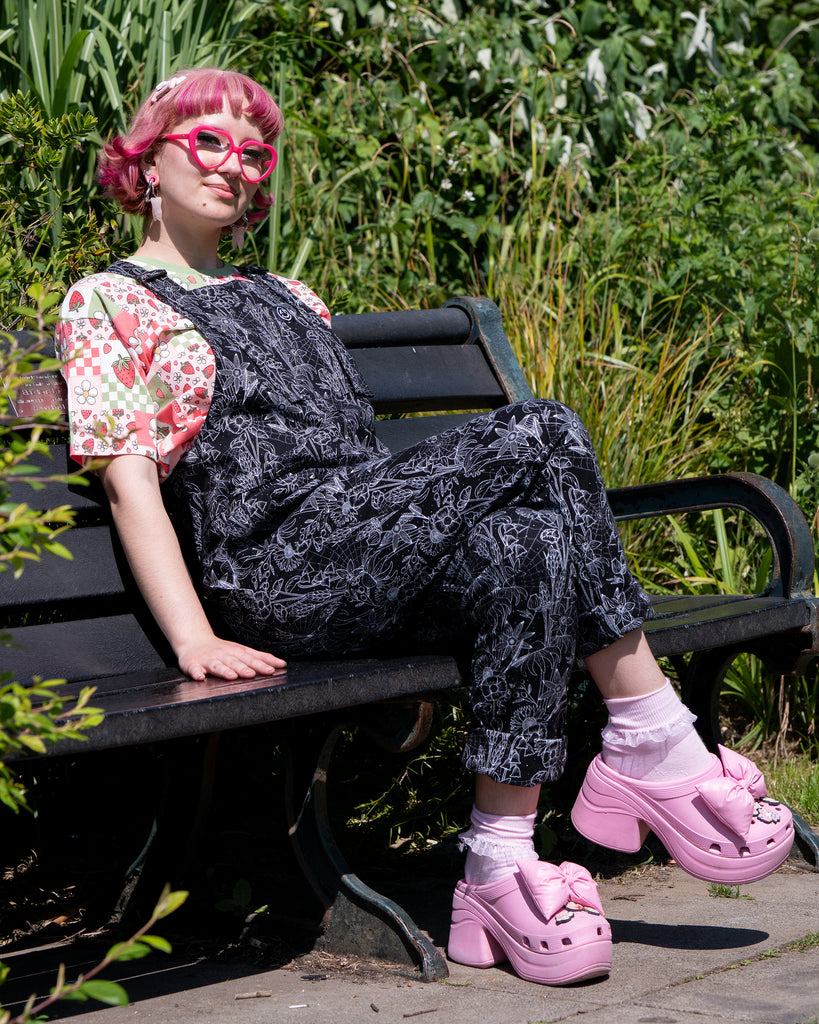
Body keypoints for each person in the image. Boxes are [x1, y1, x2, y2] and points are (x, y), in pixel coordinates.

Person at [57, 67, 793, 987]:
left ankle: (497, 861)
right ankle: (648, 732)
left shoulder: (292, 294)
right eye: (208, 141)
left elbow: (356, 458)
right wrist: (193, 634)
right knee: (544, 427)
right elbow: (130, 484)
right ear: (147, 156)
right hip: (277, 569)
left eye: (253, 152)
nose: (234, 166)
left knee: (524, 547)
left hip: (363, 540)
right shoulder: (108, 301)